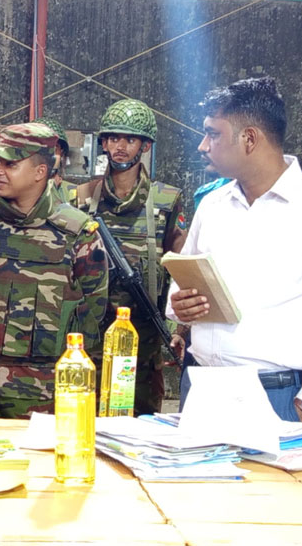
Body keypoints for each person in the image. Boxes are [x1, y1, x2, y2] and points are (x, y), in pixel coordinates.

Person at [167, 77, 302, 422]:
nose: (203, 146)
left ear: (249, 139)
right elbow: (182, 284)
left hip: (276, 395)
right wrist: (180, 306)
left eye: (213, 134)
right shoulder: (213, 206)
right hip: (201, 387)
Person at [0, 123, 108, 418]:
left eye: (10, 164)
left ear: (40, 172)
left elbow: (92, 316)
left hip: (41, 389)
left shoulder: (78, 235)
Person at [75, 99, 187, 416]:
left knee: (142, 427)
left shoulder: (166, 200)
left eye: (129, 139)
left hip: (144, 339)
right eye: (112, 138)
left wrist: (177, 328)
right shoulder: (82, 197)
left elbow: (179, 268)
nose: (119, 146)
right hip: (90, 337)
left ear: (145, 145)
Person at [34, 116, 78, 206]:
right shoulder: (17, 192)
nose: (47, 156)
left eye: (53, 149)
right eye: (39, 149)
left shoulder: (75, 194)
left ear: (61, 153)